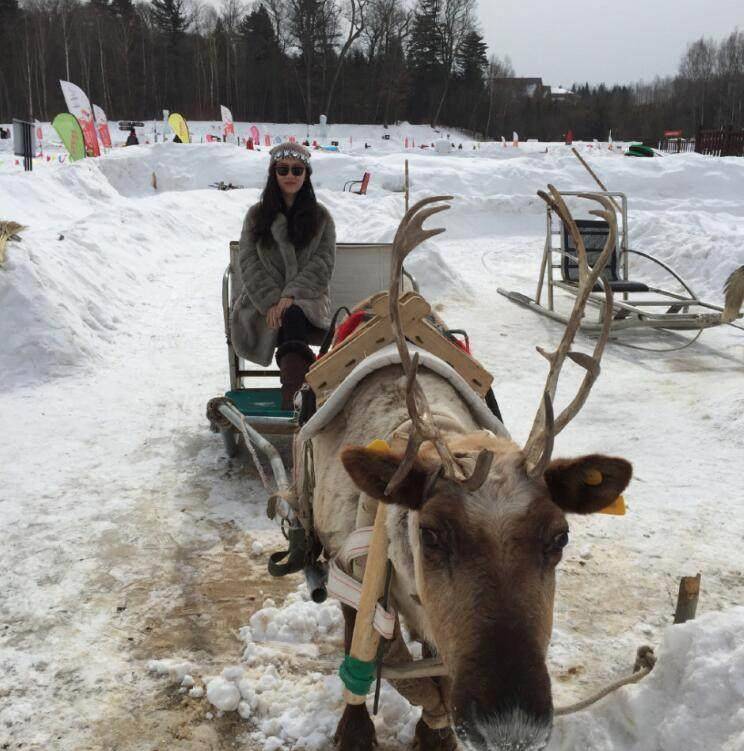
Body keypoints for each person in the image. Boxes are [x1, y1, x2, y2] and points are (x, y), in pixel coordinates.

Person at [231, 142, 335, 409]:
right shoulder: (256, 216)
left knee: (295, 313)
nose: (290, 176)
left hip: (308, 299)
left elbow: (323, 263)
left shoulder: (321, 217)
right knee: (289, 315)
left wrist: (292, 295)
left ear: (306, 175)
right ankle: (302, 396)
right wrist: (271, 301)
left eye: (297, 170)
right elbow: (248, 261)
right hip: (261, 302)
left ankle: (292, 397)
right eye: (283, 169)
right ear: (274, 174)